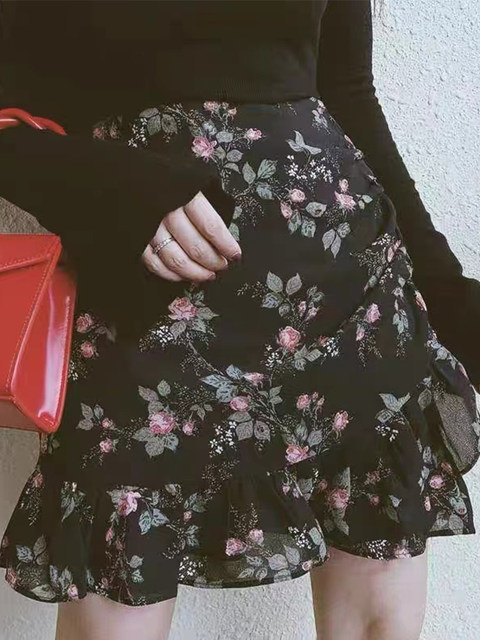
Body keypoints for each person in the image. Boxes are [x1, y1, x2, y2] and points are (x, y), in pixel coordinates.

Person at [0, 2, 479, 639]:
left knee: (378, 593)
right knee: (115, 590)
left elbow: (348, 94)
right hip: (142, 305)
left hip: (348, 297)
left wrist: (446, 293)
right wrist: (103, 187)